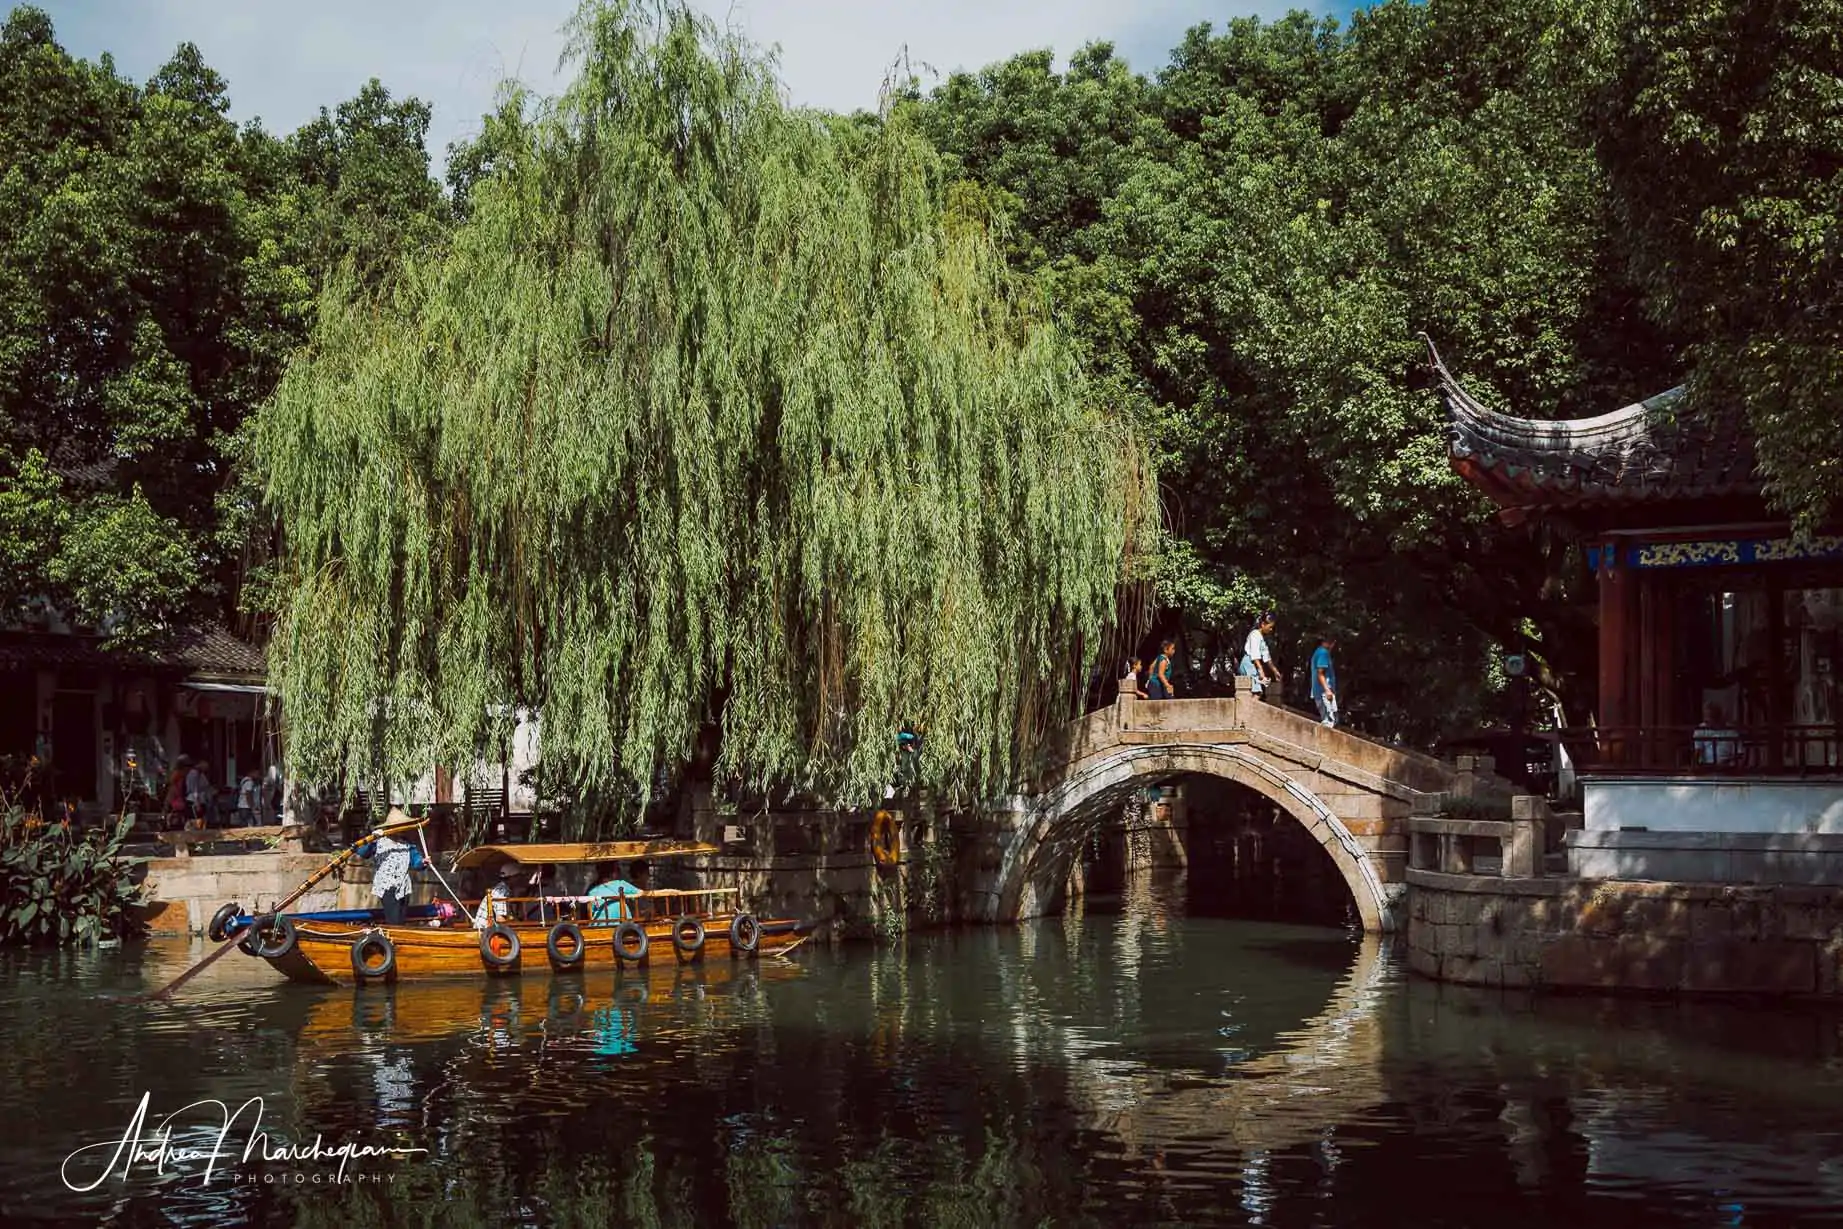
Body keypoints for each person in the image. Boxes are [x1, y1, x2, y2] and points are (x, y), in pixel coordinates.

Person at [365, 827, 416, 924]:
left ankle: (399, 937)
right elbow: (363, 852)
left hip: (404, 887)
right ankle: (393, 936)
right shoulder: (379, 842)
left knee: (401, 919)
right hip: (387, 886)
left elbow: (416, 862)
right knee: (393, 919)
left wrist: (423, 862)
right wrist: (372, 839)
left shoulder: (407, 844)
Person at [1240, 612, 1278, 701]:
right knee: (1257, 692)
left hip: (1253, 664)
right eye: (1270, 627)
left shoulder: (1261, 638)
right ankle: (1248, 711)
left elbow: (1266, 656)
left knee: (1254, 691)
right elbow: (1255, 654)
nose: (1271, 629)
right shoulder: (1255, 634)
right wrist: (1261, 670)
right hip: (1248, 663)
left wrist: (1275, 671)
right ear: (1263, 624)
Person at [1693, 703, 1740, 767]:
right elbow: (1697, 751)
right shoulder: (1701, 729)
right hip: (1706, 767)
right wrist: (1696, 767)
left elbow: (1739, 754)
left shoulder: (1731, 731)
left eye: (1711, 716)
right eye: (1706, 717)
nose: (1707, 720)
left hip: (1728, 768)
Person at [1311, 635, 1339, 727]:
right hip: (1324, 693)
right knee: (1329, 721)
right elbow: (1320, 673)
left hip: (1322, 692)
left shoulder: (1319, 652)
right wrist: (1327, 690)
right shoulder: (1323, 653)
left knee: (1330, 720)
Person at [184, 760, 216, 828]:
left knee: (202, 821)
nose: (207, 768)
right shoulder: (194, 774)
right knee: (196, 821)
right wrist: (197, 803)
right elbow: (194, 790)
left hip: (201, 800)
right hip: (194, 801)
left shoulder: (200, 774)